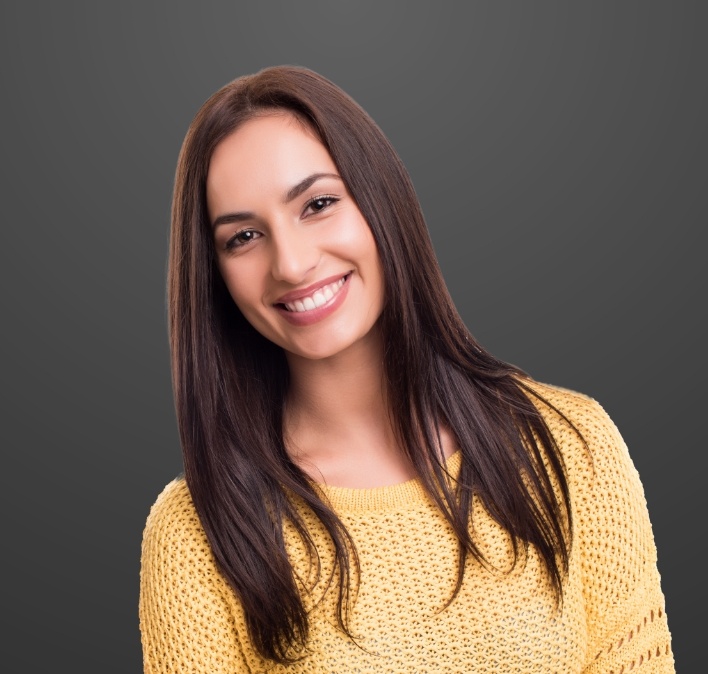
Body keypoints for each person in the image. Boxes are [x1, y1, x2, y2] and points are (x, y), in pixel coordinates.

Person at [139, 65, 675, 673]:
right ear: (215, 276)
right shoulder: (195, 536)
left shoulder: (570, 448)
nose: (289, 263)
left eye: (318, 204)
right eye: (243, 237)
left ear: (381, 201)